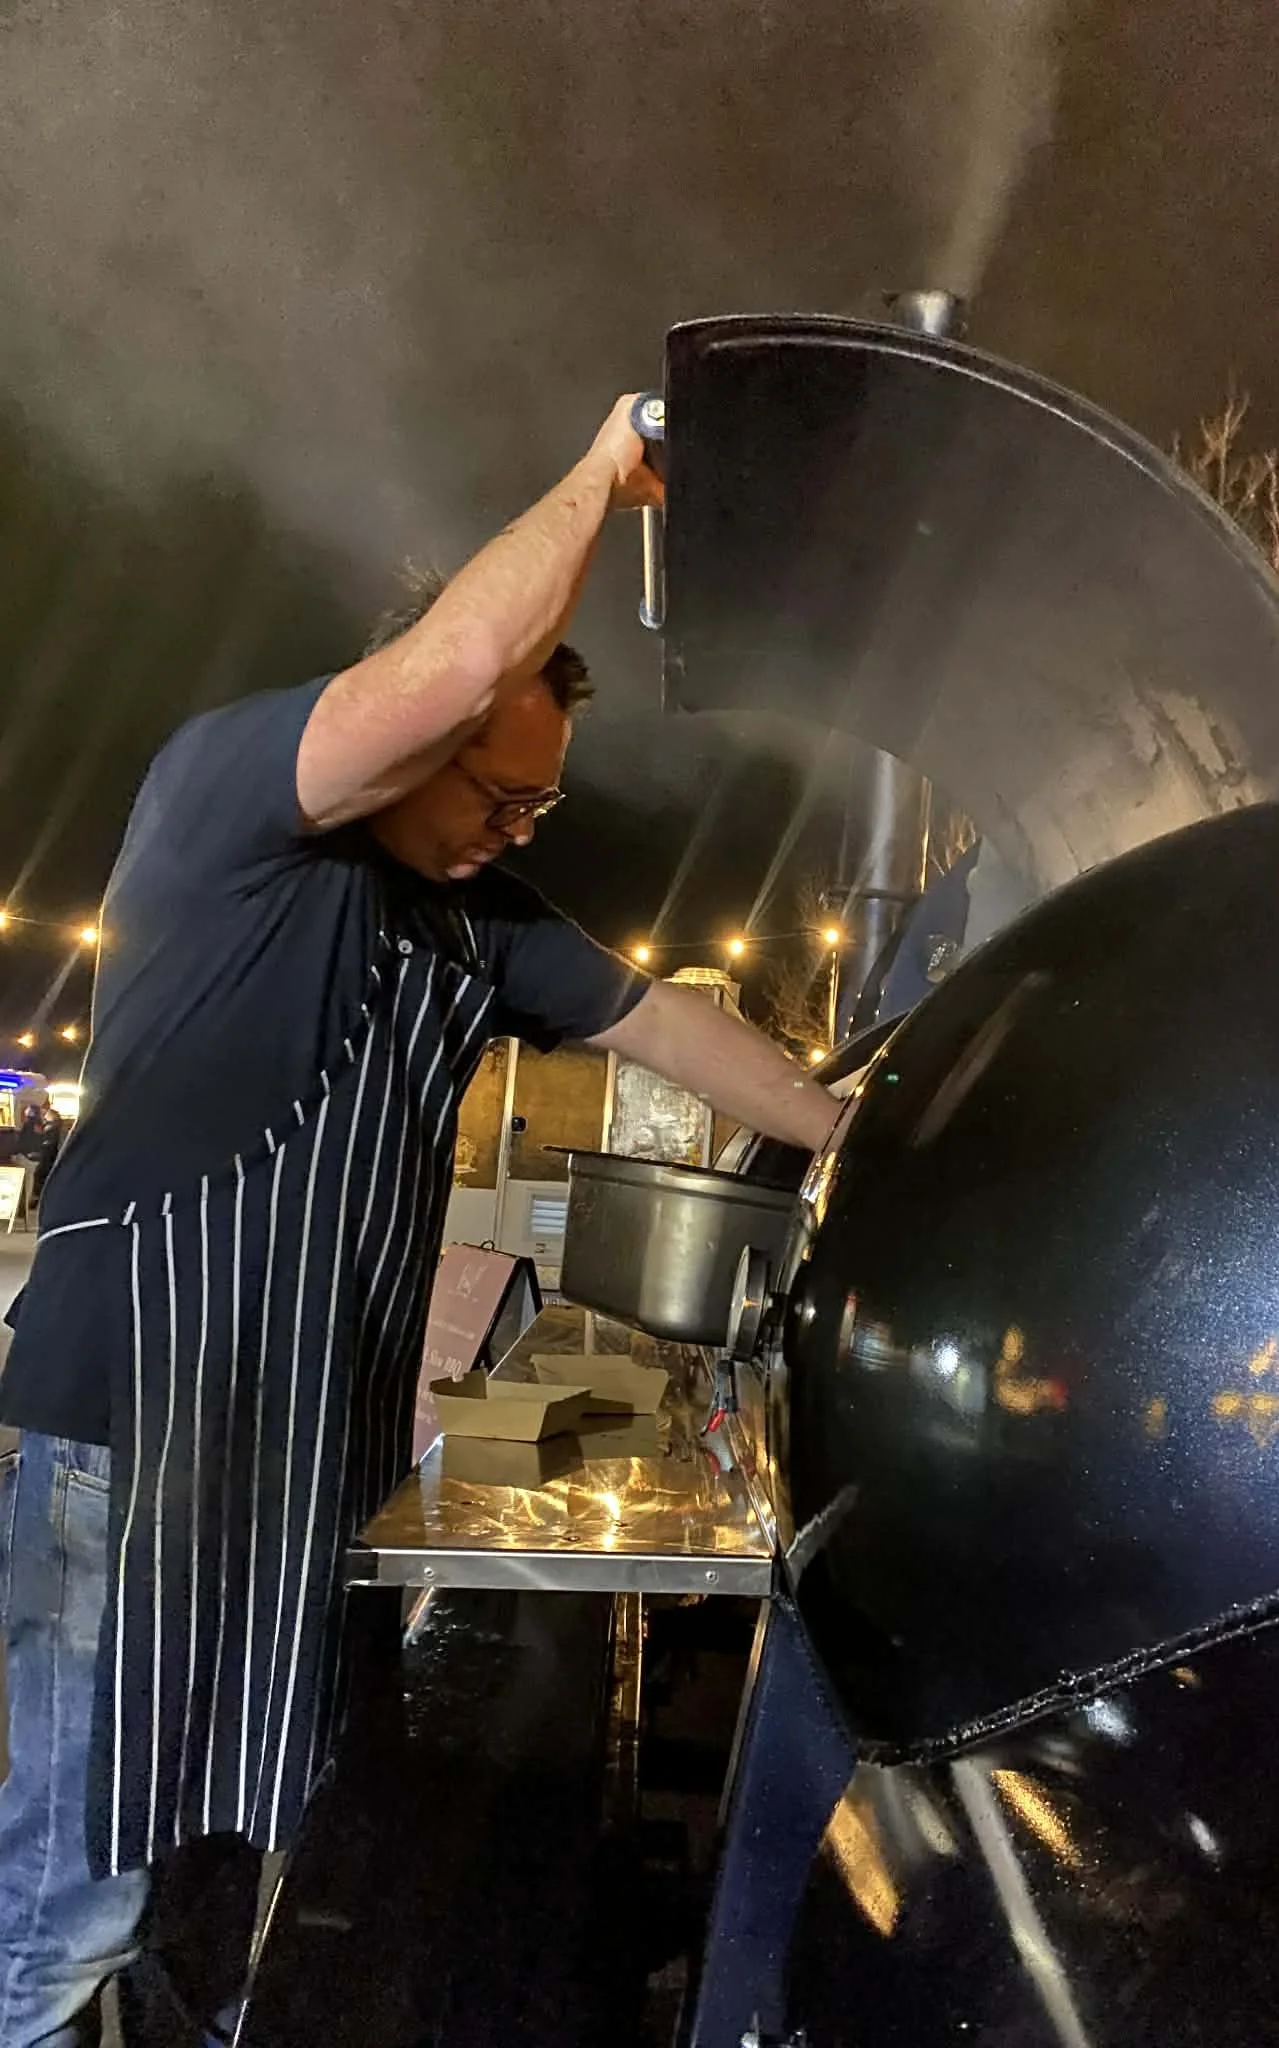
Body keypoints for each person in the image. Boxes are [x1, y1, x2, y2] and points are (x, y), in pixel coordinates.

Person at [0, 394, 839, 2045]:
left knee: (242, 1867)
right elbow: (458, 666)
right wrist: (603, 476)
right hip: (126, 1442)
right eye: (495, 794)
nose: (510, 831)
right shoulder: (229, 799)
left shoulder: (477, 928)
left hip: (305, 1459)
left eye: (541, 811)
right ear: (405, 737)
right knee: (62, 1897)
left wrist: (853, 1128)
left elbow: (665, 1021)